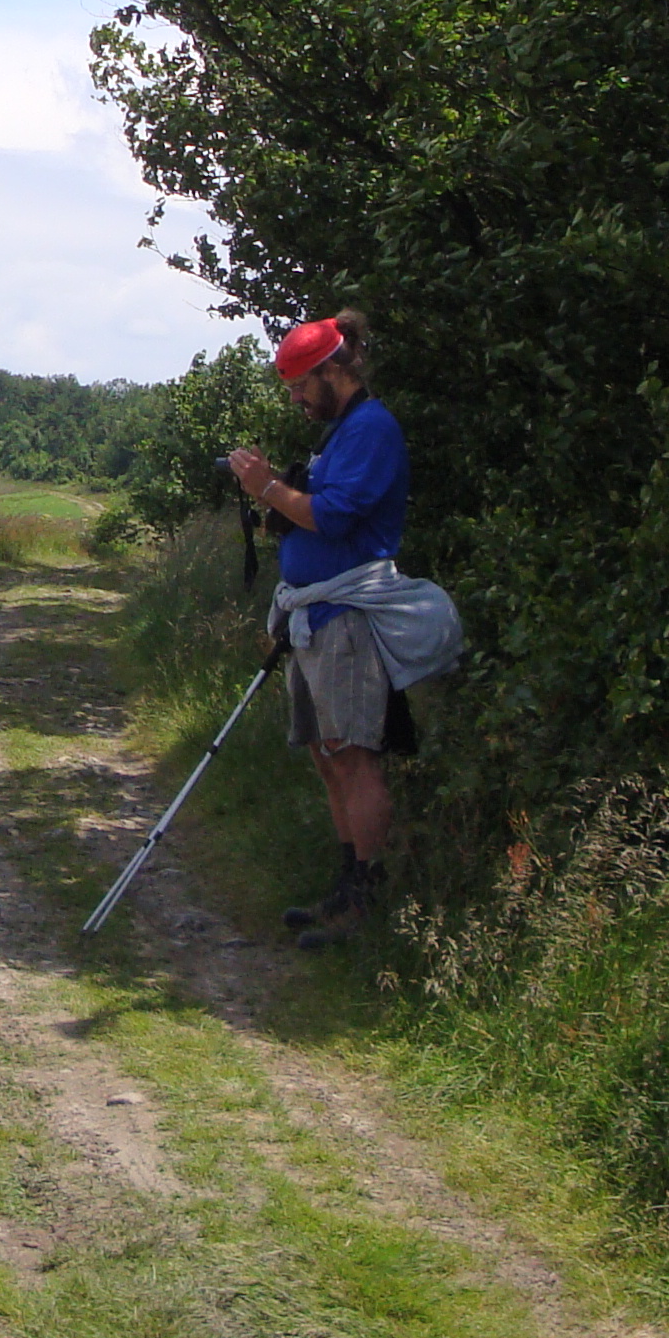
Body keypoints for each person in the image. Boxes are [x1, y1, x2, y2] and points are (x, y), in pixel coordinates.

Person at [225, 312, 460, 945]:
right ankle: (346, 885)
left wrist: (266, 487)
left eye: (301, 386)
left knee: (354, 758)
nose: (296, 400)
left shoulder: (371, 429)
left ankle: (365, 902)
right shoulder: (341, 433)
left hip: (347, 619)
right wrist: (278, 497)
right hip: (316, 616)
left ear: (333, 370)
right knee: (329, 757)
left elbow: (333, 518)